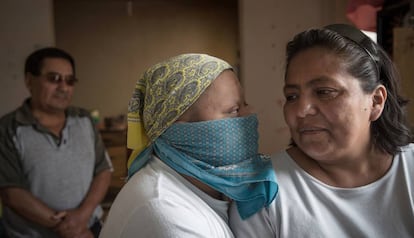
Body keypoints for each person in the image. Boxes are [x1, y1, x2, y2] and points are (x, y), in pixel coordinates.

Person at [230, 24, 414, 237]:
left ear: (375, 101)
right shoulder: (260, 192)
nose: (301, 110)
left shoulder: (409, 171)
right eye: (292, 96)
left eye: (325, 92)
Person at [99, 53, 278, 237]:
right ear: (181, 132)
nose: (250, 114)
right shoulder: (166, 213)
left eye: (245, 104)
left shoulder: (213, 185)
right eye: (234, 110)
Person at [0, 47, 113, 238]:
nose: (63, 87)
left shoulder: (84, 120)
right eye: (54, 79)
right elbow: (11, 192)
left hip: (88, 228)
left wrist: (81, 218)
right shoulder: (8, 128)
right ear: (29, 80)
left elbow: (103, 170)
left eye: (70, 81)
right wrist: (69, 228)